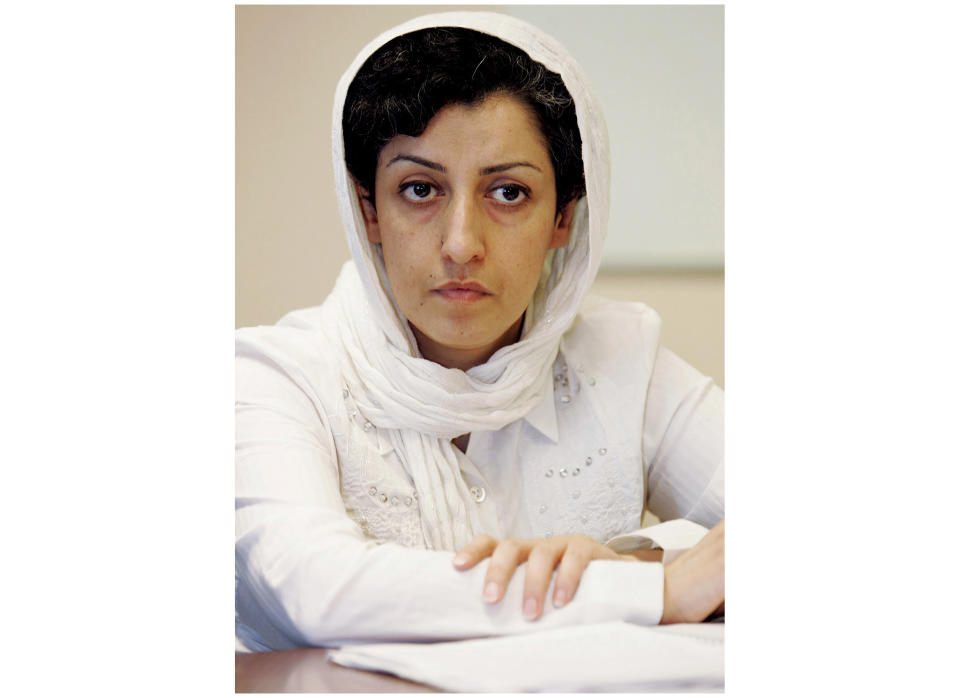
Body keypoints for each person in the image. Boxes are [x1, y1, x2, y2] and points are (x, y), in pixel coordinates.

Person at [235, 11, 724, 652]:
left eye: (509, 194)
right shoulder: (273, 375)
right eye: (419, 188)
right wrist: (647, 589)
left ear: (563, 219)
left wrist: (643, 558)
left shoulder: (621, 355)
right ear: (368, 211)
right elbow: (315, 587)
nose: (462, 244)